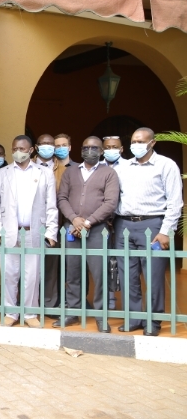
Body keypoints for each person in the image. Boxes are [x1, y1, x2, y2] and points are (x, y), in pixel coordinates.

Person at [113, 128, 183, 336]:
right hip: (124, 224)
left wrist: (165, 231)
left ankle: (153, 321)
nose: (136, 145)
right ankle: (134, 318)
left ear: (152, 143)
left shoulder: (166, 165)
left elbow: (175, 202)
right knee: (128, 275)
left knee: (153, 276)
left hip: (152, 225)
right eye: (134, 141)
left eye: (141, 141)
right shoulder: (123, 167)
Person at [0, 135, 58, 328]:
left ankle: (30, 314)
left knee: (32, 275)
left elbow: (51, 206)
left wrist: (51, 232)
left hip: (33, 231)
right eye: (14, 148)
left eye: (22, 148)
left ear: (31, 151)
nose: (17, 152)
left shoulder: (45, 173)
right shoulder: (1, 174)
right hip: (8, 232)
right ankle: (10, 312)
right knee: (9, 274)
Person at [55, 137, 119, 333]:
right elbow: (62, 198)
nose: (89, 151)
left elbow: (110, 203)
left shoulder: (109, 173)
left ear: (101, 152)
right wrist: (74, 219)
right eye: (86, 148)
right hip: (72, 230)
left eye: (94, 148)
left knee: (99, 274)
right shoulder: (70, 172)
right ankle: (73, 311)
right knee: (73, 273)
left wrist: (88, 222)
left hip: (97, 230)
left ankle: (101, 315)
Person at [33, 133, 75, 317]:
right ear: (36, 147)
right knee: (29, 265)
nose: (49, 147)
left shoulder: (63, 169)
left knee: (51, 266)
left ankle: (49, 303)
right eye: (44, 144)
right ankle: (28, 303)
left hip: (54, 224)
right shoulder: (28, 166)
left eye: (52, 144)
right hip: (30, 223)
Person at [101, 135, 126, 310]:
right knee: (103, 261)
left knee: (122, 261)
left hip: (121, 220)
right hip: (100, 221)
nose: (111, 150)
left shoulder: (130, 167)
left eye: (115, 147)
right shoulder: (97, 167)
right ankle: (107, 300)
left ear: (122, 149)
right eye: (108, 147)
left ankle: (128, 304)